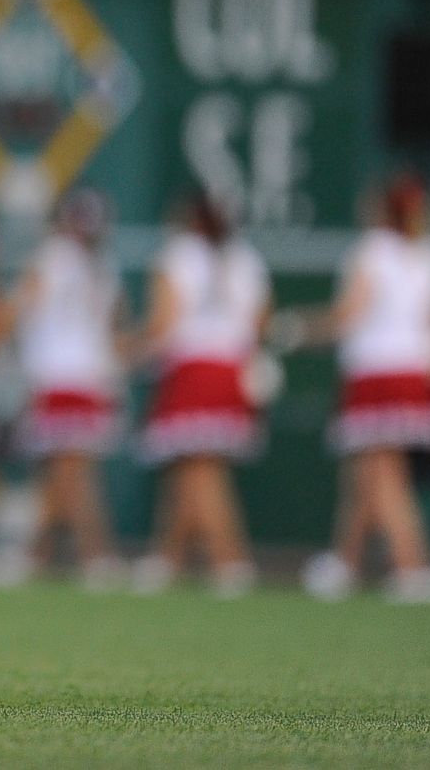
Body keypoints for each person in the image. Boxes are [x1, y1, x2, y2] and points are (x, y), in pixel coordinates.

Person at [303, 174, 430, 603]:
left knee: (384, 475)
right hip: (415, 371)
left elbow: (349, 312)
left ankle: (412, 567)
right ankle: (345, 563)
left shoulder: (372, 249)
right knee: (365, 476)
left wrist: (299, 329)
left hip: (378, 372)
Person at [132, 192, 270, 597]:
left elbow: (163, 323)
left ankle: (230, 560)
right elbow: (260, 324)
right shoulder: (248, 260)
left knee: (200, 470)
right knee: (188, 470)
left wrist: (127, 350)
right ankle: (168, 558)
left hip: (192, 369)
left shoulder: (177, 255)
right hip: (232, 370)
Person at [10, 188, 126, 589]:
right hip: (92, 376)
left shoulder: (52, 257)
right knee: (68, 472)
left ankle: (93, 553)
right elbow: (115, 325)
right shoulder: (101, 266)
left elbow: (23, 304)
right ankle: (44, 553)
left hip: (58, 374)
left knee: (68, 473)